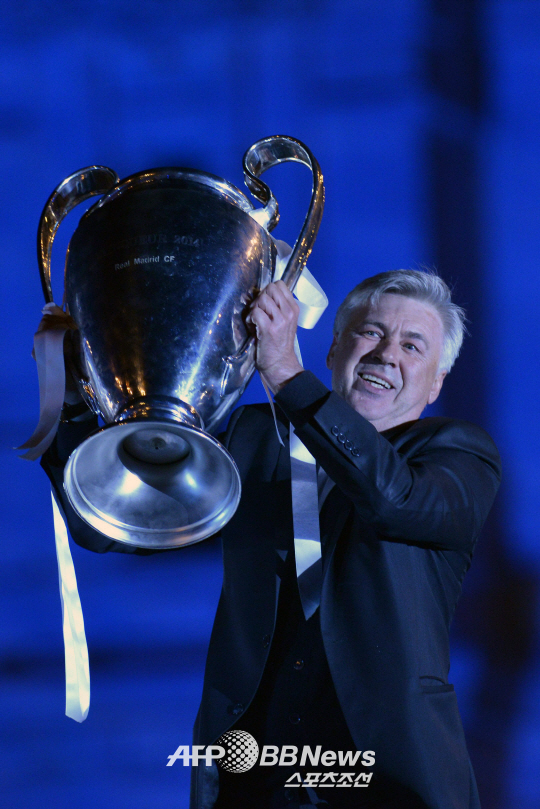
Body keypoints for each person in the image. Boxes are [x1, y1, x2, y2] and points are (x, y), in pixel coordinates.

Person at [42, 270, 501, 809]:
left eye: (412, 346)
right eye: (371, 332)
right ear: (333, 348)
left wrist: (287, 375)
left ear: (436, 383)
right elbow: (113, 528)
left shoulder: (457, 454)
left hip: (387, 782)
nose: (385, 354)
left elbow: (394, 500)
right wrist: (71, 399)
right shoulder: (256, 438)